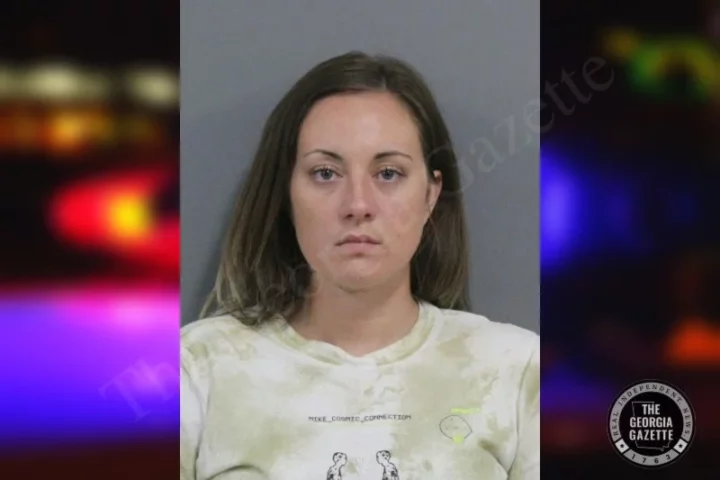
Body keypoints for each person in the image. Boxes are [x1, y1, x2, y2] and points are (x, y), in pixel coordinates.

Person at [181, 51, 539, 479]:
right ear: (286, 194)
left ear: (430, 195)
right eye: (325, 173)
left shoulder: (516, 370)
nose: (357, 204)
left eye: (388, 173)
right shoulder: (197, 369)